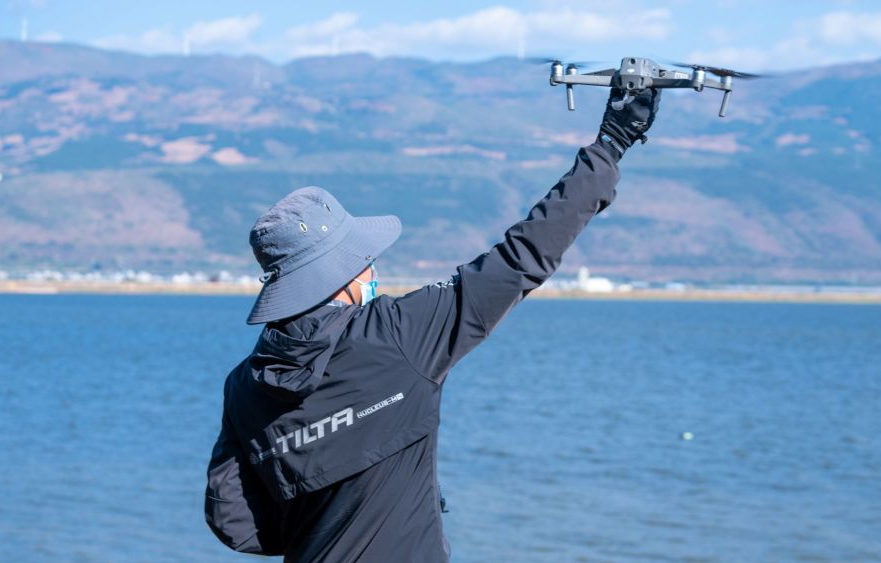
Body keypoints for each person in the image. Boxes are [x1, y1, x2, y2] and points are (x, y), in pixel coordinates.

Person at [204, 86, 662, 562]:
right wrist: (612, 143)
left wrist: (317, 523)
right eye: (363, 260)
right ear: (344, 275)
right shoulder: (399, 334)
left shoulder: (244, 385)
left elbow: (232, 520)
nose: (370, 270)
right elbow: (523, 255)